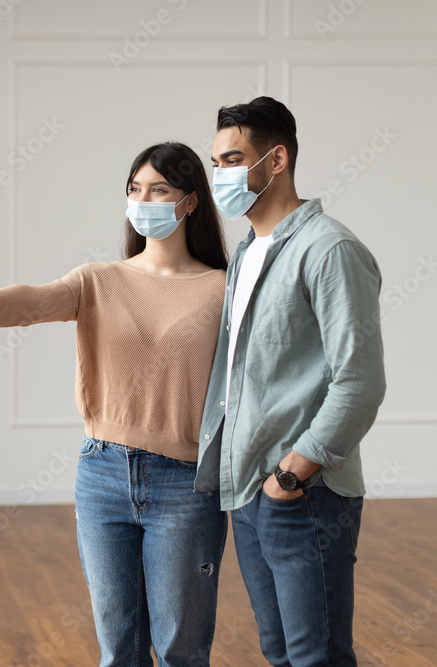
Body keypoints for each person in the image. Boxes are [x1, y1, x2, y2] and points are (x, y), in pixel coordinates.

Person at [0, 142, 229, 666]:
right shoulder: (99, 280)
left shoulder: (222, 289)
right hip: (102, 473)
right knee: (117, 650)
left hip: (186, 483)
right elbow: (33, 301)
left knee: (181, 651)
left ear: (190, 202)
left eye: (159, 190)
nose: (142, 200)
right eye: (134, 190)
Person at [197, 96, 386, 666]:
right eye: (215, 163)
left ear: (275, 160)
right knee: (280, 651)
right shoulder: (249, 253)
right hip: (251, 491)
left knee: (317, 656)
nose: (220, 176)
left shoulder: (329, 249)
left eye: (232, 159)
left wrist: (292, 474)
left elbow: (359, 381)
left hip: (304, 494)